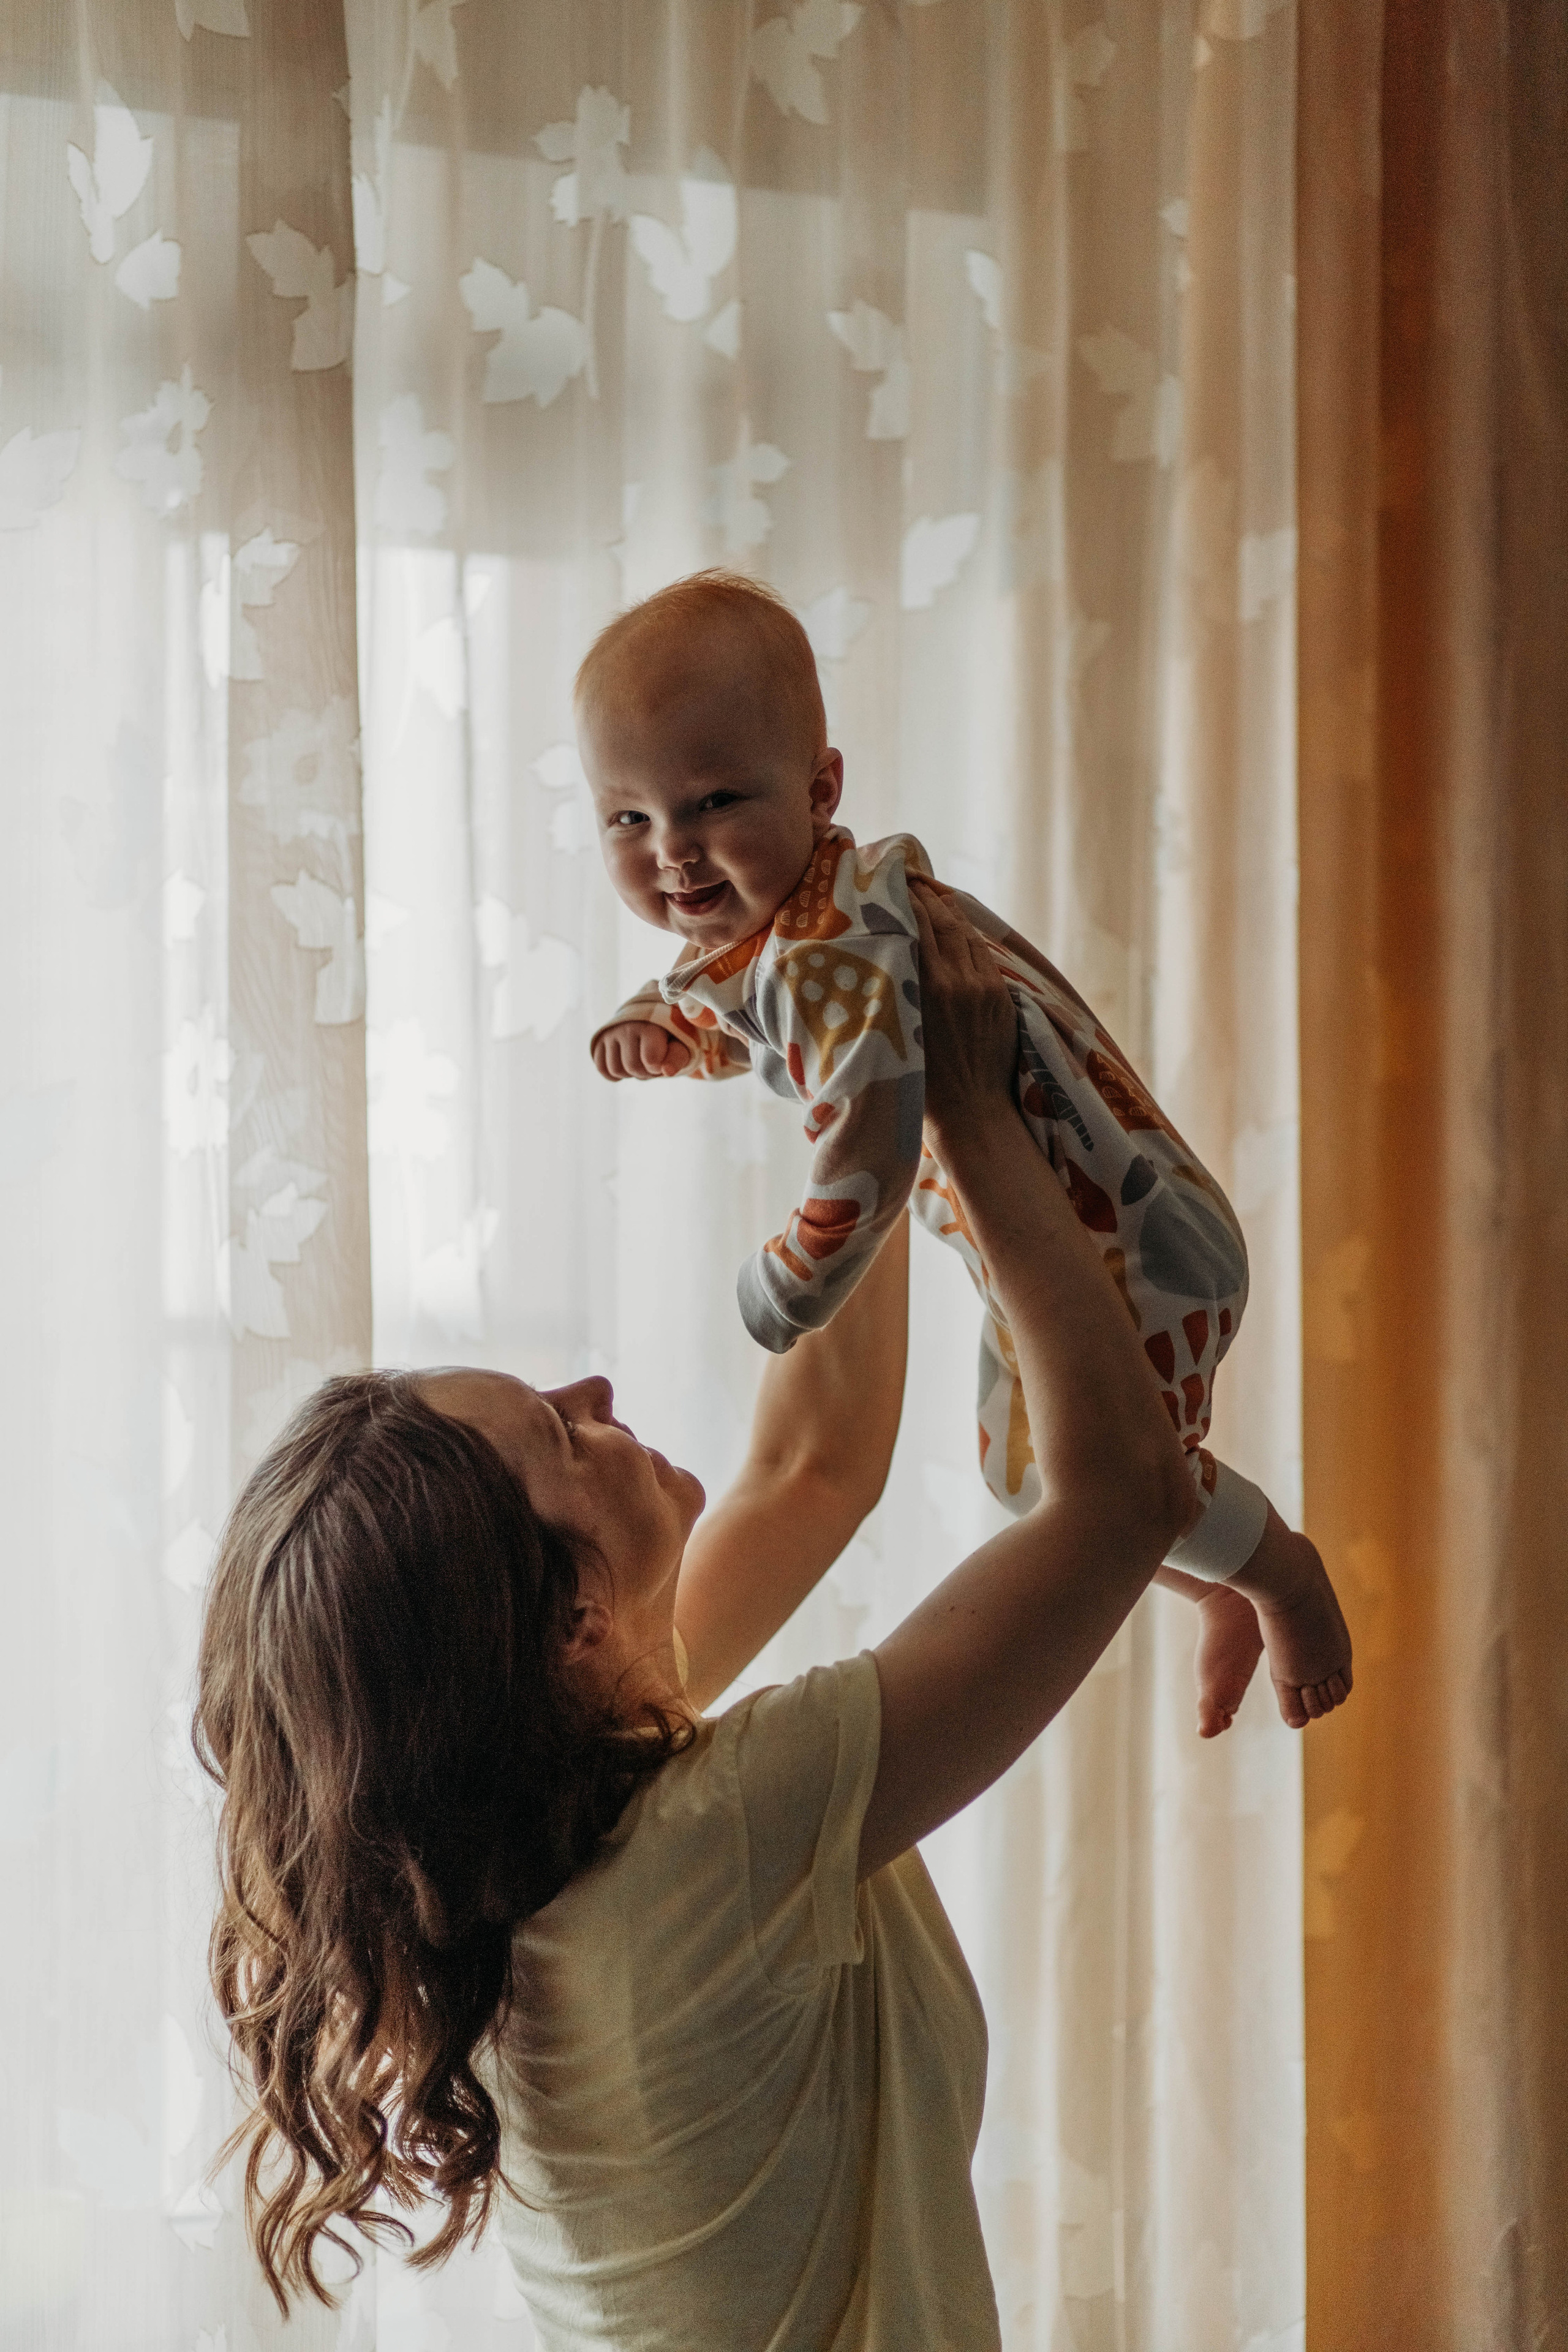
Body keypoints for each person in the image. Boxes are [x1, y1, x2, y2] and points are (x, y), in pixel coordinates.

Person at [195, 893, 1349, 2348]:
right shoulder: (708, 1850)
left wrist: (867, 1093)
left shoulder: (570, 1837)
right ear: (565, 1624)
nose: (598, 1396)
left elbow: (815, 1466)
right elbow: (1116, 1495)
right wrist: (983, 1128)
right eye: (559, 1437)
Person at [581, 568, 1351, 1734]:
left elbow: (867, 1154)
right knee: (1026, 1482)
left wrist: (785, 1283)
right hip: (1046, 1245)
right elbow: (755, 1009)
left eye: (713, 803)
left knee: (1109, 1482)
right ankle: (1226, 1576)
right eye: (629, 819)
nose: (674, 852)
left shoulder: (844, 943)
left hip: (1128, 1244)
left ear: (820, 787)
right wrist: (663, 1030)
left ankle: (1281, 1572)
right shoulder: (804, 924)